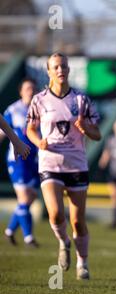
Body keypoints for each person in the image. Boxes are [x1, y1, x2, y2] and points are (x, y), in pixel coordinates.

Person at [26, 52, 101, 280]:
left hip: (76, 165)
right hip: (50, 163)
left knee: (78, 221)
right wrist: (39, 141)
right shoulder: (39, 100)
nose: (61, 70)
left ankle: (83, 263)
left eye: (64, 66)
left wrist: (85, 127)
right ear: (48, 71)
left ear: (69, 70)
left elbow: (97, 134)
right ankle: (63, 241)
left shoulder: (81, 100)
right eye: (56, 67)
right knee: (56, 214)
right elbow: (30, 128)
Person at [0, 78, 40, 247]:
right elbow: (2, 132)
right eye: (27, 88)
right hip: (18, 161)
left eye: (33, 88)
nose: (30, 91)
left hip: (34, 160)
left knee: (30, 197)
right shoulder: (14, 110)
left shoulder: (40, 109)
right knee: (24, 197)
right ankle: (28, 237)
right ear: (21, 91)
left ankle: (9, 231)